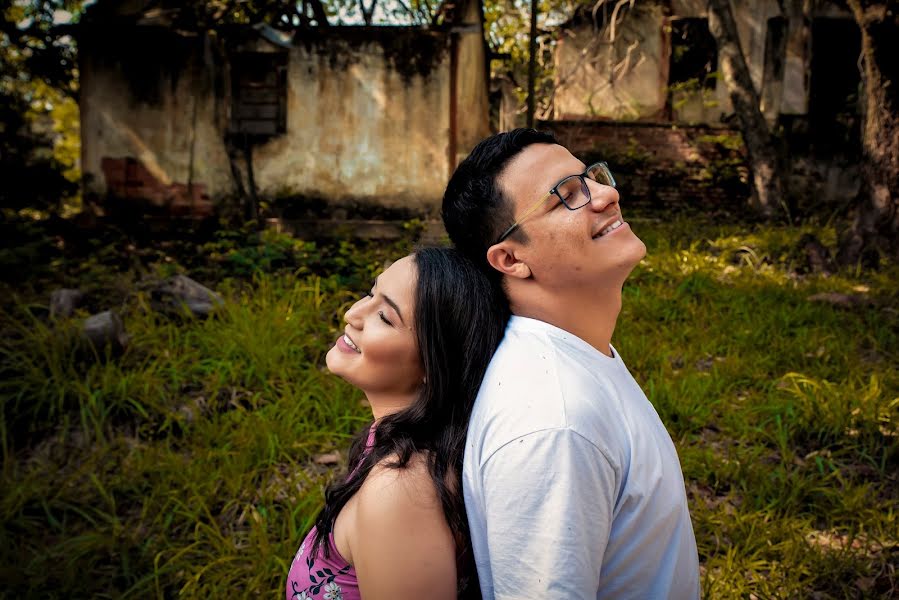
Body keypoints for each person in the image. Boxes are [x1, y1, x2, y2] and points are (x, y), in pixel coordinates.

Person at [442, 128, 701, 599]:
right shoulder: (554, 421)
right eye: (567, 196)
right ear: (511, 258)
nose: (607, 194)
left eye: (592, 178)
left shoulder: (575, 359)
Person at [286, 247, 507, 600]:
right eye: (369, 294)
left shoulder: (400, 492)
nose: (352, 314)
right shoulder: (405, 445)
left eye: (385, 317)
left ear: (433, 368)